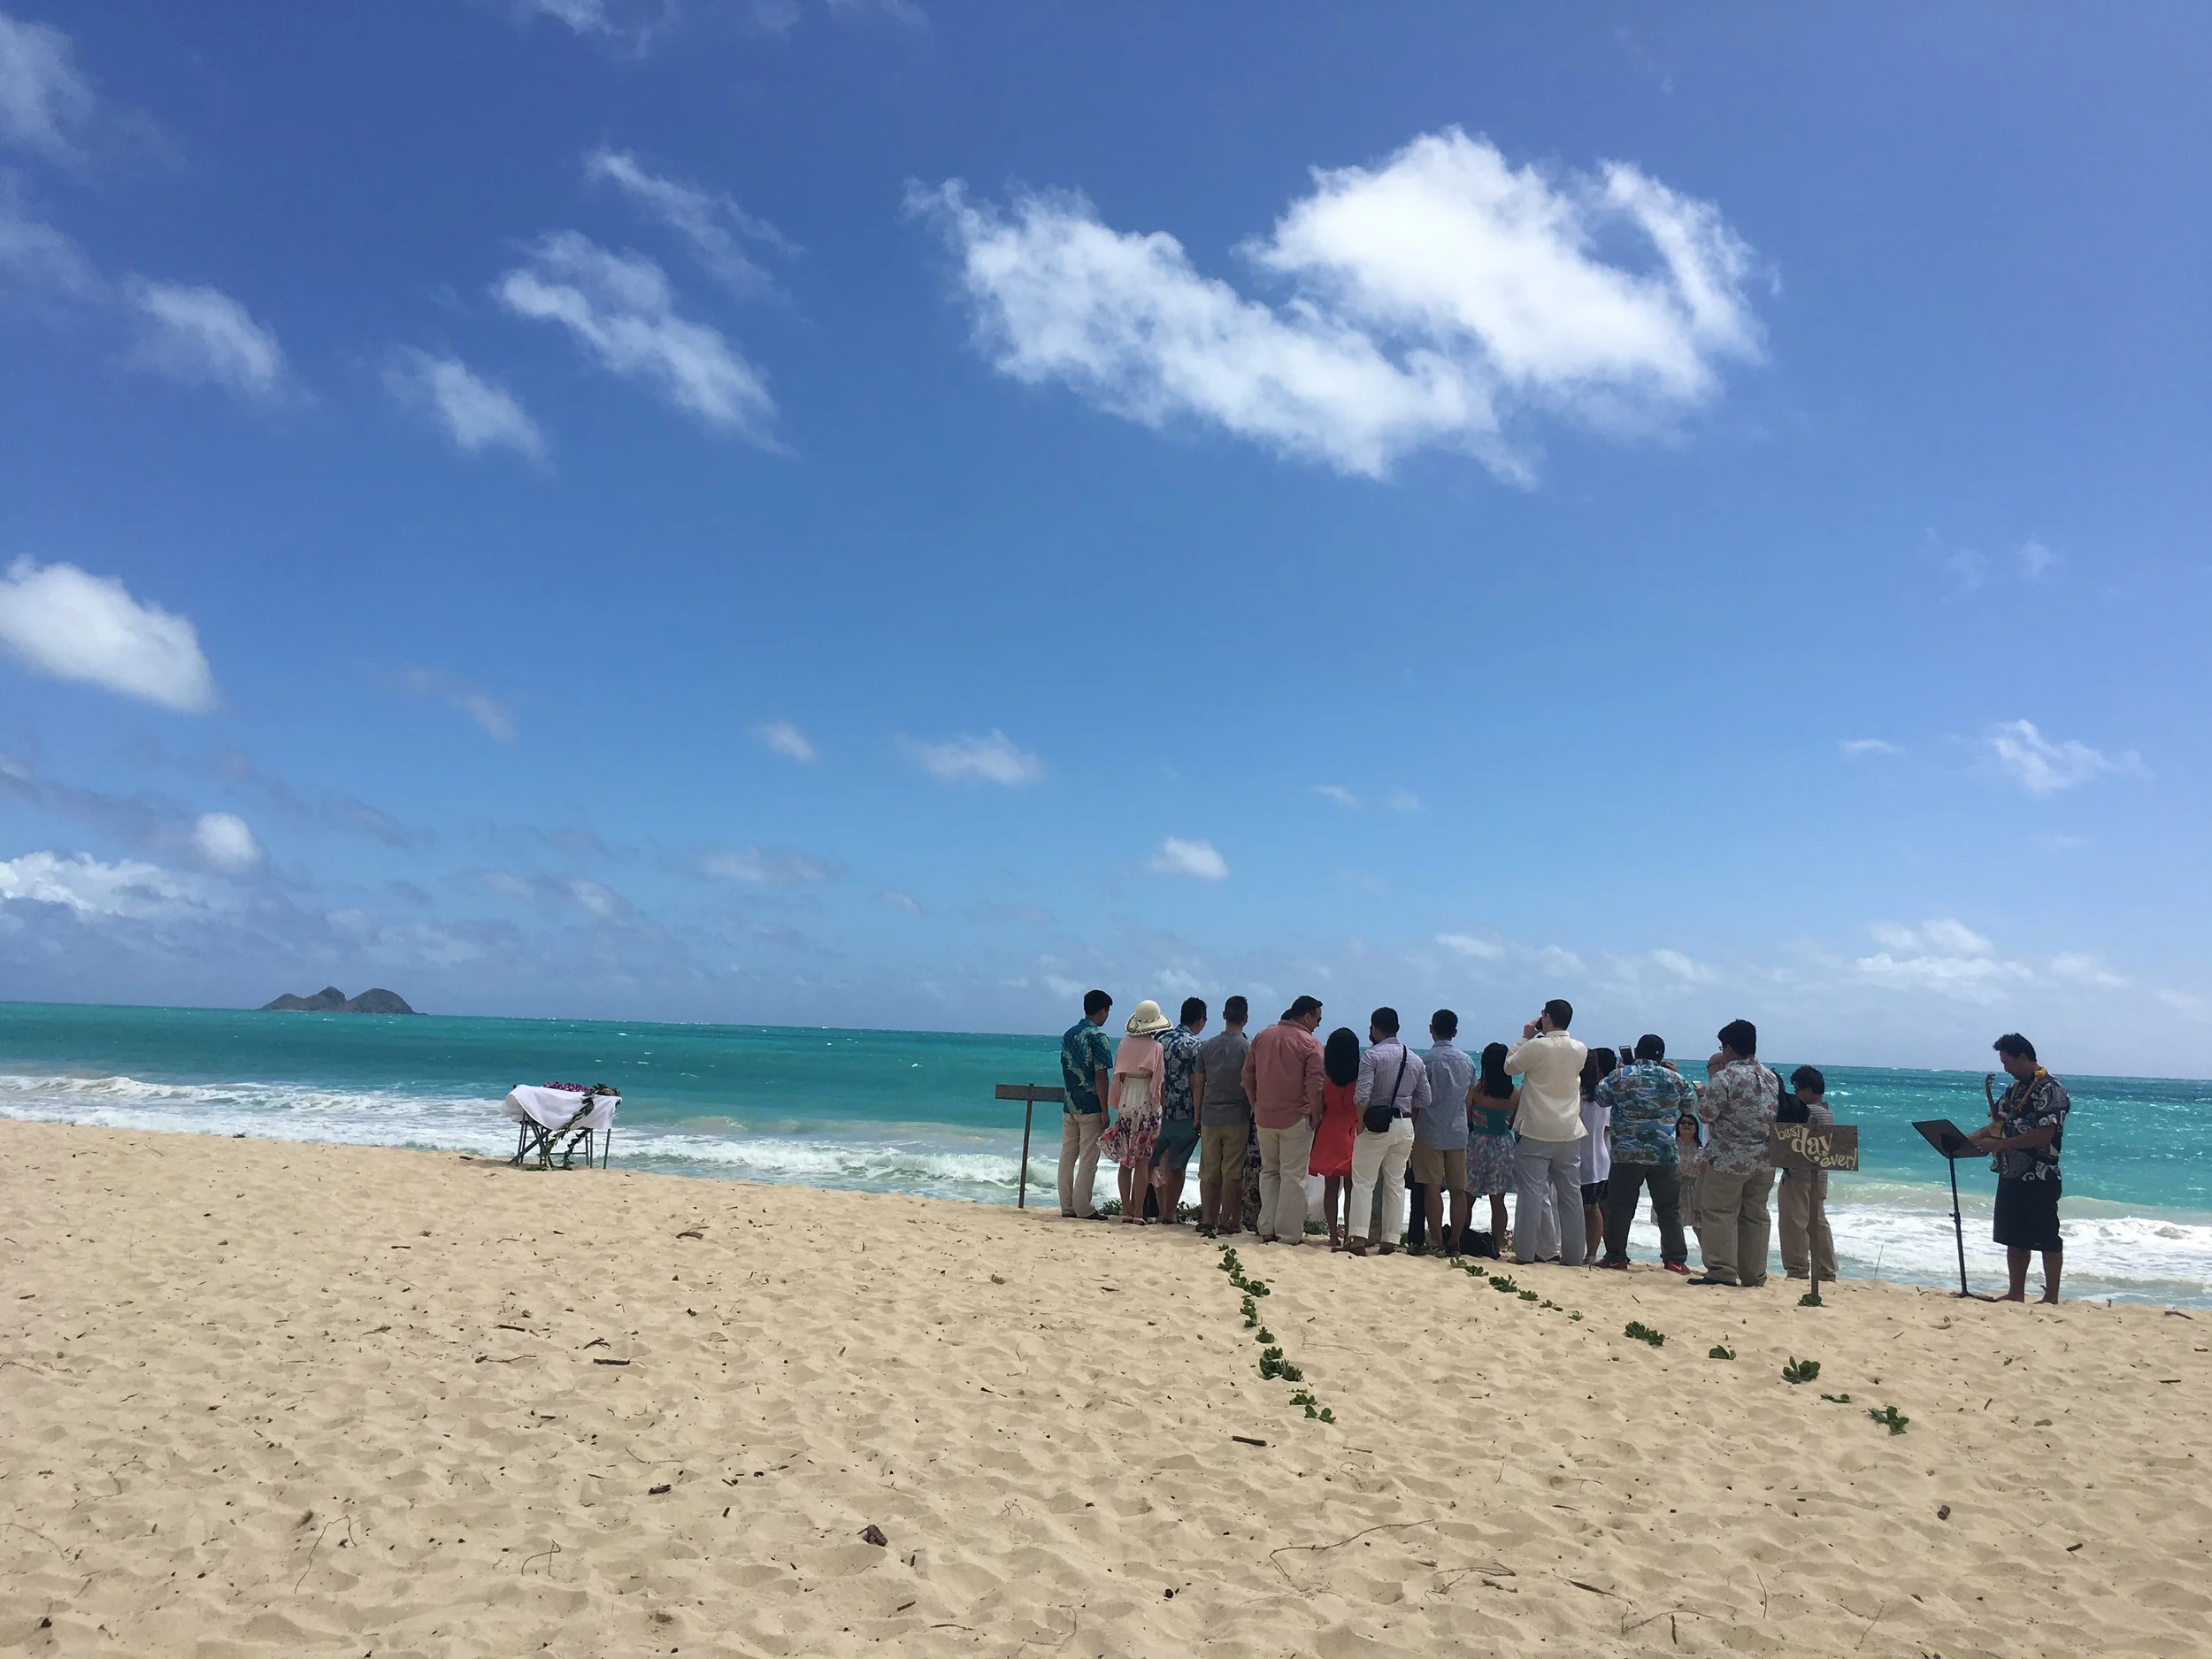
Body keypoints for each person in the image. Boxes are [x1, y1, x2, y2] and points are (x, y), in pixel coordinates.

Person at [1968, 1033, 2070, 1303]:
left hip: (2041, 1174)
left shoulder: (2051, 1089)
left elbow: (2045, 1134)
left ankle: (2051, 1297)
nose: (2006, 1069)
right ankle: (2016, 1293)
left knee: (2047, 1236)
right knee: (2014, 1236)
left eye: (2007, 1062)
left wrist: (2001, 1144)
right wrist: (1965, 1140)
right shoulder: (2014, 1090)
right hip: (2010, 1172)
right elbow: (1996, 1125)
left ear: (2022, 1058)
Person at [1596, 1034, 1698, 1272]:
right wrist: (1678, 1074)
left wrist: (1620, 1070)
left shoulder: (1621, 1075)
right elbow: (1689, 1106)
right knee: (1669, 1209)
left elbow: (1601, 1098)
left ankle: (1616, 1256)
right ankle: (1675, 1259)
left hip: (1626, 1153)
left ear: (1636, 1051)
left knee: (1620, 1207)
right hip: (1664, 1154)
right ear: (1662, 1056)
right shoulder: (1674, 1078)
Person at [1692, 1019, 1779, 1286]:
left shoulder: (1725, 1078)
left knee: (1720, 1213)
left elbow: (1706, 1115)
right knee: (1755, 1216)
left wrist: (1703, 1096)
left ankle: (1722, 1271)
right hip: (1764, 1159)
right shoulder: (1770, 1077)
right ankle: (1754, 1274)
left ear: (1728, 1048)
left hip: (1728, 1158)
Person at [1504, 999, 1589, 1265]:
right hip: (1569, 1130)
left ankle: (1525, 1254)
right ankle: (1573, 1256)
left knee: (1531, 1195)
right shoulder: (1580, 1049)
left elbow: (1510, 1067)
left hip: (1536, 1129)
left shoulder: (1537, 1046)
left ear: (1547, 1018)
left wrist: (1525, 1037)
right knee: (1571, 1197)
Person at [1240, 995, 1326, 1245]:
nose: (1318, 1025)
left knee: (1269, 1172)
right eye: (1318, 1019)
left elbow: (1247, 1076)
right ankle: (1288, 1233)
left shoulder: (1262, 1036)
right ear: (1307, 1016)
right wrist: (1317, 1113)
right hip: (1296, 1117)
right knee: (1293, 1177)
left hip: (1264, 1116)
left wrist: (1256, 1105)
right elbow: (1314, 1084)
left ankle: (1267, 1227)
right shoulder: (1311, 1044)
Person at [1347, 1006, 1431, 1257]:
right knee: (1395, 1183)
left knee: (1363, 1182)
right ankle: (1390, 1240)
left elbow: (1362, 1095)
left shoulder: (1371, 1056)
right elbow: (1425, 1098)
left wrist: (1360, 1122)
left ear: (1375, 1028)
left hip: (1376, 1124)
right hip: (1404, 1124)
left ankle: (1358, 1238)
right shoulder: (1415, 1059)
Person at [1100, 1000, 1171, 1224]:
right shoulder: (1156, 1048)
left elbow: (1119, 1077)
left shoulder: (1124, 1044)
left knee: (1125, 1161)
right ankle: (1138, 1213)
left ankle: (1126, 1210)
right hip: (1146, 1105)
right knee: (1142, 1162)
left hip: (1126, 1104)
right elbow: (1159, 1084)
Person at [1415, 1010, 1475, 1255]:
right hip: (1458, 1130)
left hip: (1429, 1129)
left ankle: (1437, 1242)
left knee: (1432, 1188)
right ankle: (1454, 1243)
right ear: (1455, 1032)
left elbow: (1418, 1100)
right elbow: (1468, 1099)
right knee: (1458, 1190)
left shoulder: (1424, 1061)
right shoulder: (1468, 1062)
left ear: (1431, 1028)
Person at [1196, 995, 1252, 1236]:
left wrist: (1197, 1116)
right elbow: (1251, 1084)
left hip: (1210, 1114)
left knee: (1209, 1170)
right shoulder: (1248, 1049)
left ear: (1223, 1015)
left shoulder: (1206, 1046)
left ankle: (1207, 1219)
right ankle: (1226, 1220)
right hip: (1238, 1115)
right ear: (1246, 1019)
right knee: (1232, 1171)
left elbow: (1198, 1085)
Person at [1148, 998, 1208, 1225]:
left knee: (1157, 1161)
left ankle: (1161, 1209)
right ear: (1200, 1019)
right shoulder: (1194, 1045)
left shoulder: (1159, 1039)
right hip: (1184, 1112)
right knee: (1177, 1164)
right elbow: (1196, 1083)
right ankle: (1170, 1213)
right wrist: (1198, 1115)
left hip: (1158, 1109)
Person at [1778, 1064, 1839, 1282]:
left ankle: (1797, 1269)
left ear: (1807, 1089)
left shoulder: (1808, 1112)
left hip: (1797, 1176)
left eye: (1797, 1089)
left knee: (1793, 1224)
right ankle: (1826, 1269)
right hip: (1819, 1177)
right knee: (1818, 1223)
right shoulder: (1827, 1113)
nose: (1796, 1094)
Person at [1056, 989, 1114, 1218]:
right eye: (1107, 1011)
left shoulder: (1068, 1035)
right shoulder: (1098, 1038)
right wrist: (1104, 1109)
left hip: (1070, 1103)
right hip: (1090, 1106)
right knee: (1088, 1159)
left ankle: (1067, 1206)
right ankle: (1083, 1208)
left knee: (1067, 1156)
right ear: (1102, 1011)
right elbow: (1101, 1075)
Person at [1310, 1027, 1361, 1248]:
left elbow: (1319, 1104)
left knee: (1330, 1188)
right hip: (1352, 1132)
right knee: (1351, 1189)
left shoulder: (1325, 1076)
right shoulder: (1359, 1077)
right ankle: (1349, 1233)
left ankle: (1333, 1234)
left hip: (1329, 1132)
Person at [1465, 1042, 1517, 1254]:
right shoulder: (1514, 1093)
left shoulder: (1477, 1090)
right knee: (1498, 1201)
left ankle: (1461, 1239)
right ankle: (1497, 1245)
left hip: (1477, 1144)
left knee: (1467, 1197)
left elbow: (1468, 1116)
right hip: (1503, 1146)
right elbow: (1512, 1124)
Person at [1578, 1048, 1617, 1263]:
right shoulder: (1604, 1096)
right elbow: (1608, 1128)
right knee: (1594, 1208)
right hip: (1601, 1158)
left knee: (1584, 1208)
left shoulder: (1579, 1094)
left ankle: (1582, 1251)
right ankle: (1591, 1254)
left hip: (1583, 1157)